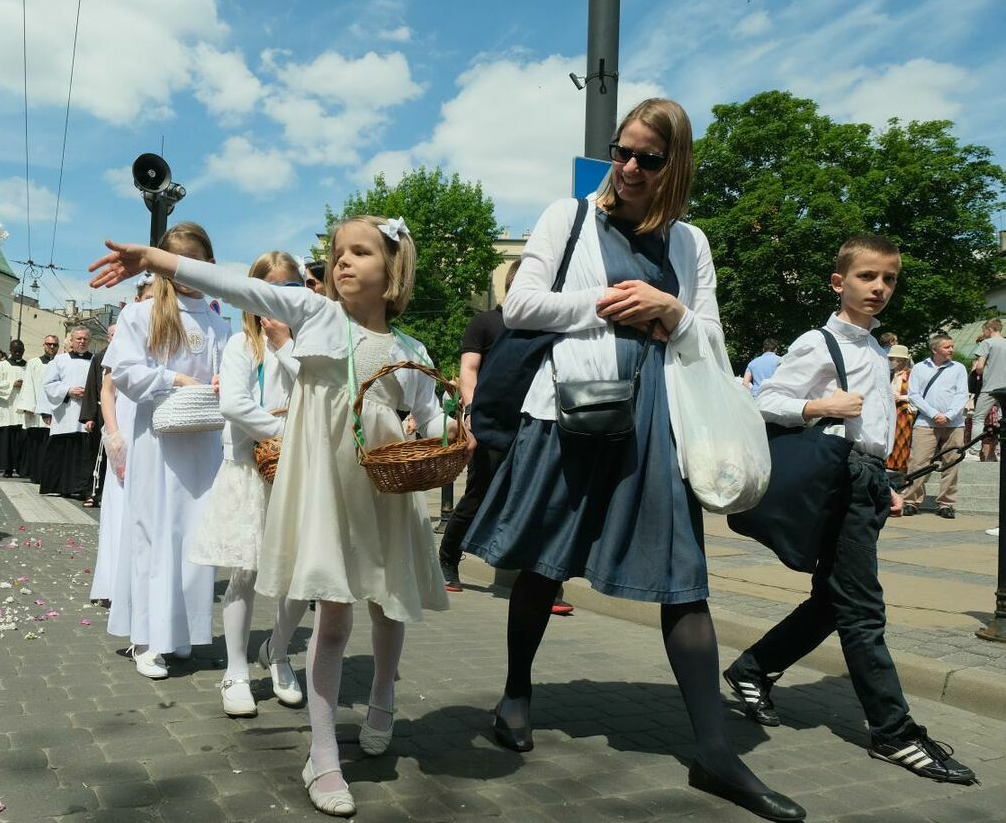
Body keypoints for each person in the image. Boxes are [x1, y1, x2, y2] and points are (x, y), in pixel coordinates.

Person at [460, 99, 803, 821]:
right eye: (624, 151)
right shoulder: (569, 216)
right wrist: (614, 302)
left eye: (649, 158)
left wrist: (672, 313)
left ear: (674, 165)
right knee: (543, 560)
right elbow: (520, 307)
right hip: (571, 412)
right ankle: (517, 690)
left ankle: (713, 751)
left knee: (684, 578)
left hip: (658, 420)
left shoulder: (690, 243)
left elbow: (708, 336)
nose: (630, 167)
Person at [90, 215, 459, 819]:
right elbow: (240, 287)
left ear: (393, 269)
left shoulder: (409, 351)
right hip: (326, 495)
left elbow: (433, 419)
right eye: (337, 252)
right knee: (332, 620)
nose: (342, 262)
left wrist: (462, 432)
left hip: (384, 494)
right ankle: (322, 755)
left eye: (360, 253)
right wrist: (157, 261)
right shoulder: (316, 315)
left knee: (389, 604)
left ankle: (384, 695)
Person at [725, 236, 976, 787]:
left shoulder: (876, 348)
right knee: (861, 610)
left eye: (888, 279)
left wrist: (883, 480)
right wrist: (819, 405)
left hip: (864, 481)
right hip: (836, 481)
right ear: (840, 283)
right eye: (867, 277)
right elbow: (764, 400)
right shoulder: (819, 342)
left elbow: (873, 429)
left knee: (831, 602)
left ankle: (752, 670)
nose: (879, 288)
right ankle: (895, 732)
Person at [101, 224, 228, 679]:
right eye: (180, 263)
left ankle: (181, 632)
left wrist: (221, 383)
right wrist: (175, 380)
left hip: (203, 442)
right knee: (153, 534)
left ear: (210, 265)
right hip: (157, 442)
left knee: (195, 537)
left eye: (196, 263)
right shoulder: (143, 314)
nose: (189, 273)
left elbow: (230, 373)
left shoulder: (219, 319)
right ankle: (145, 637)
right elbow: (125, 372)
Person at [188, 251, 310, 717]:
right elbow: (235, 404)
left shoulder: (304, 346)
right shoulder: (242, 345)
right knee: (245, 571)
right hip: (249, 467)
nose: (277, 302)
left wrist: (285, 346)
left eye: (289, 290)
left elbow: (322, 392)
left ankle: (277, 653)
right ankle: (236, 668)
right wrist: (289, 435)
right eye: (268, 292)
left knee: (302, 574)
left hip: (298, 474)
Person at [439, 261, 522, 592]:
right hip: (489, 425)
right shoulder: (485, 323)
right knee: (478, 497)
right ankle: (447, 558)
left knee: (529, 501)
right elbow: (468, 370)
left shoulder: (540, 328)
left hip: (530, 427)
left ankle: (537, 583)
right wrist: (472, 410)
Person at [89, 322, 134, 607]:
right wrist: (114, 435)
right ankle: (112, 582)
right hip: (125, 433)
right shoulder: (121, 346)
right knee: (119, 509)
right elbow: (107, 390)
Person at [901, 334, 968, 518]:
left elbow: (962, 394)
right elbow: (914, 394)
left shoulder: (959, 368)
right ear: (935, 349)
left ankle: (946, 504)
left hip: (954, 424)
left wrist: (948, 415)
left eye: (952, 346)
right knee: (918, 463)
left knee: (951, 463)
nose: (951, 350)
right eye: (947, 347)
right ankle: (910, 501)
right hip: (926, 423)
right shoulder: (920, 368)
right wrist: (934, 414)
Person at [41, 328, 98, 499]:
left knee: (85, 452)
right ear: (71, 341)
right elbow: (48, 384)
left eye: (85, 339)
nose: (82, 342)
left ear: (90, 341)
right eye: (78, 339)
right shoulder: (59, 361)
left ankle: (82, 488)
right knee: (64, 451)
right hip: (65, 413)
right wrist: (68, 390)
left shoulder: (95, 361)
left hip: (87, 413)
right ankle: (61, 485)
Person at [17, 336, 58, 481]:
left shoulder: (61, 362)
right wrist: (29, 406)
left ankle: (49, 476)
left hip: (55, 412)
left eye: (54, 344)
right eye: (49, 344)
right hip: (37, 412)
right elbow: (28, 384)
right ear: (44, 345)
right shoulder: (34, 363)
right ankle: (36, 474)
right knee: (37, 444)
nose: (52, 347)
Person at [78, 329, 111, 507]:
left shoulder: (132, 356)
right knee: (96, 455)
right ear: (108, 337)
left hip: (123, 412)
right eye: (113, 335)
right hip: (100, 413)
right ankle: (92, 492)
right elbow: (91, 387)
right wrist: (88, 417)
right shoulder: (99, 358)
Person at [0, 340, 29, 478]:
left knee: (22, 441)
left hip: (23, 408)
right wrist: (12, 384)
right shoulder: (2, 365)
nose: (18, 353)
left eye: (20, 350)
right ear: (10, 351)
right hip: (7, 408)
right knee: (7, 441)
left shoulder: (28, 366)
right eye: (15, 351)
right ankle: (7, 468)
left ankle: (21, 468)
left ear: (24, 350)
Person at [971, 320, 1006, 462]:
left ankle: (973, 450)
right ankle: (1000, 451)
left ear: (990, 329)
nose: (983, 333)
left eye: (984, 330)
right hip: (1005, 388)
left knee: (978, 418)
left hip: (990, 387)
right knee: (1002, 420)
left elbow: (979, 367)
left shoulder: (987, 343)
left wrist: (980, 373)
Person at [885, 344, 915, 473]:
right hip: (891, 410)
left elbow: (916, 395)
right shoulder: (892, 374)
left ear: (901, 360)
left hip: (904, 411)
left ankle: (901, 468)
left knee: (902, 440)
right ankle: (890, 465)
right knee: (891, 438)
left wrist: (901, 397)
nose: (891, 361)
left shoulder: (910, 374)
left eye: (893, 359)